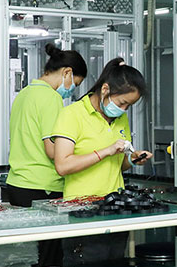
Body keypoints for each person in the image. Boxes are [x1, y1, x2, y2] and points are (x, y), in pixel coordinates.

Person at [5, 44, 88, 267]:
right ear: (67, 72)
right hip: (42, 188)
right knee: (48, 262)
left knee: (26, 255)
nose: (71, 90)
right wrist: (88, 154)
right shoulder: (50, 98)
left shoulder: (24, 94)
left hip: (18, 184)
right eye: (75, 83)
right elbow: (53, 151)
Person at [49, 58, 153, 198]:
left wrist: (131, 159)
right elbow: (62, 166)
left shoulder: (121, 118)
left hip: (114, 201)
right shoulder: (72, 114)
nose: (123, 110)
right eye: (121, 103)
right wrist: (106, 151)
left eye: (128, 106)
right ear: (105, 89)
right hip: (80, 204)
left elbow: (116, 165)